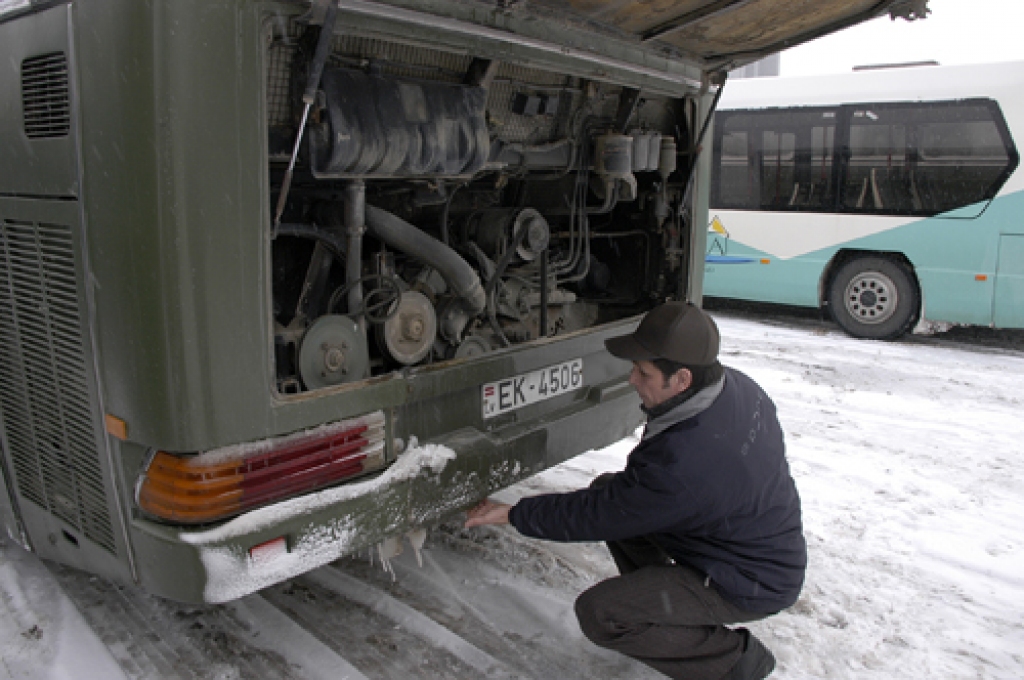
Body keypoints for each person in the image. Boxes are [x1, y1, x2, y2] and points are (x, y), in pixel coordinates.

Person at [465, 301, 806, 680]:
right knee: (611, 492)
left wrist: (513, 513)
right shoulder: (736, 387)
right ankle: (664, 606)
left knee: (602, 613)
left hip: (748, 580)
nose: (632, 380)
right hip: (742, 539)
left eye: (644, 373)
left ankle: (734, 663)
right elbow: (623, 501)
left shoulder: (685, 463)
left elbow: (599, 514)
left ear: (681, 380)